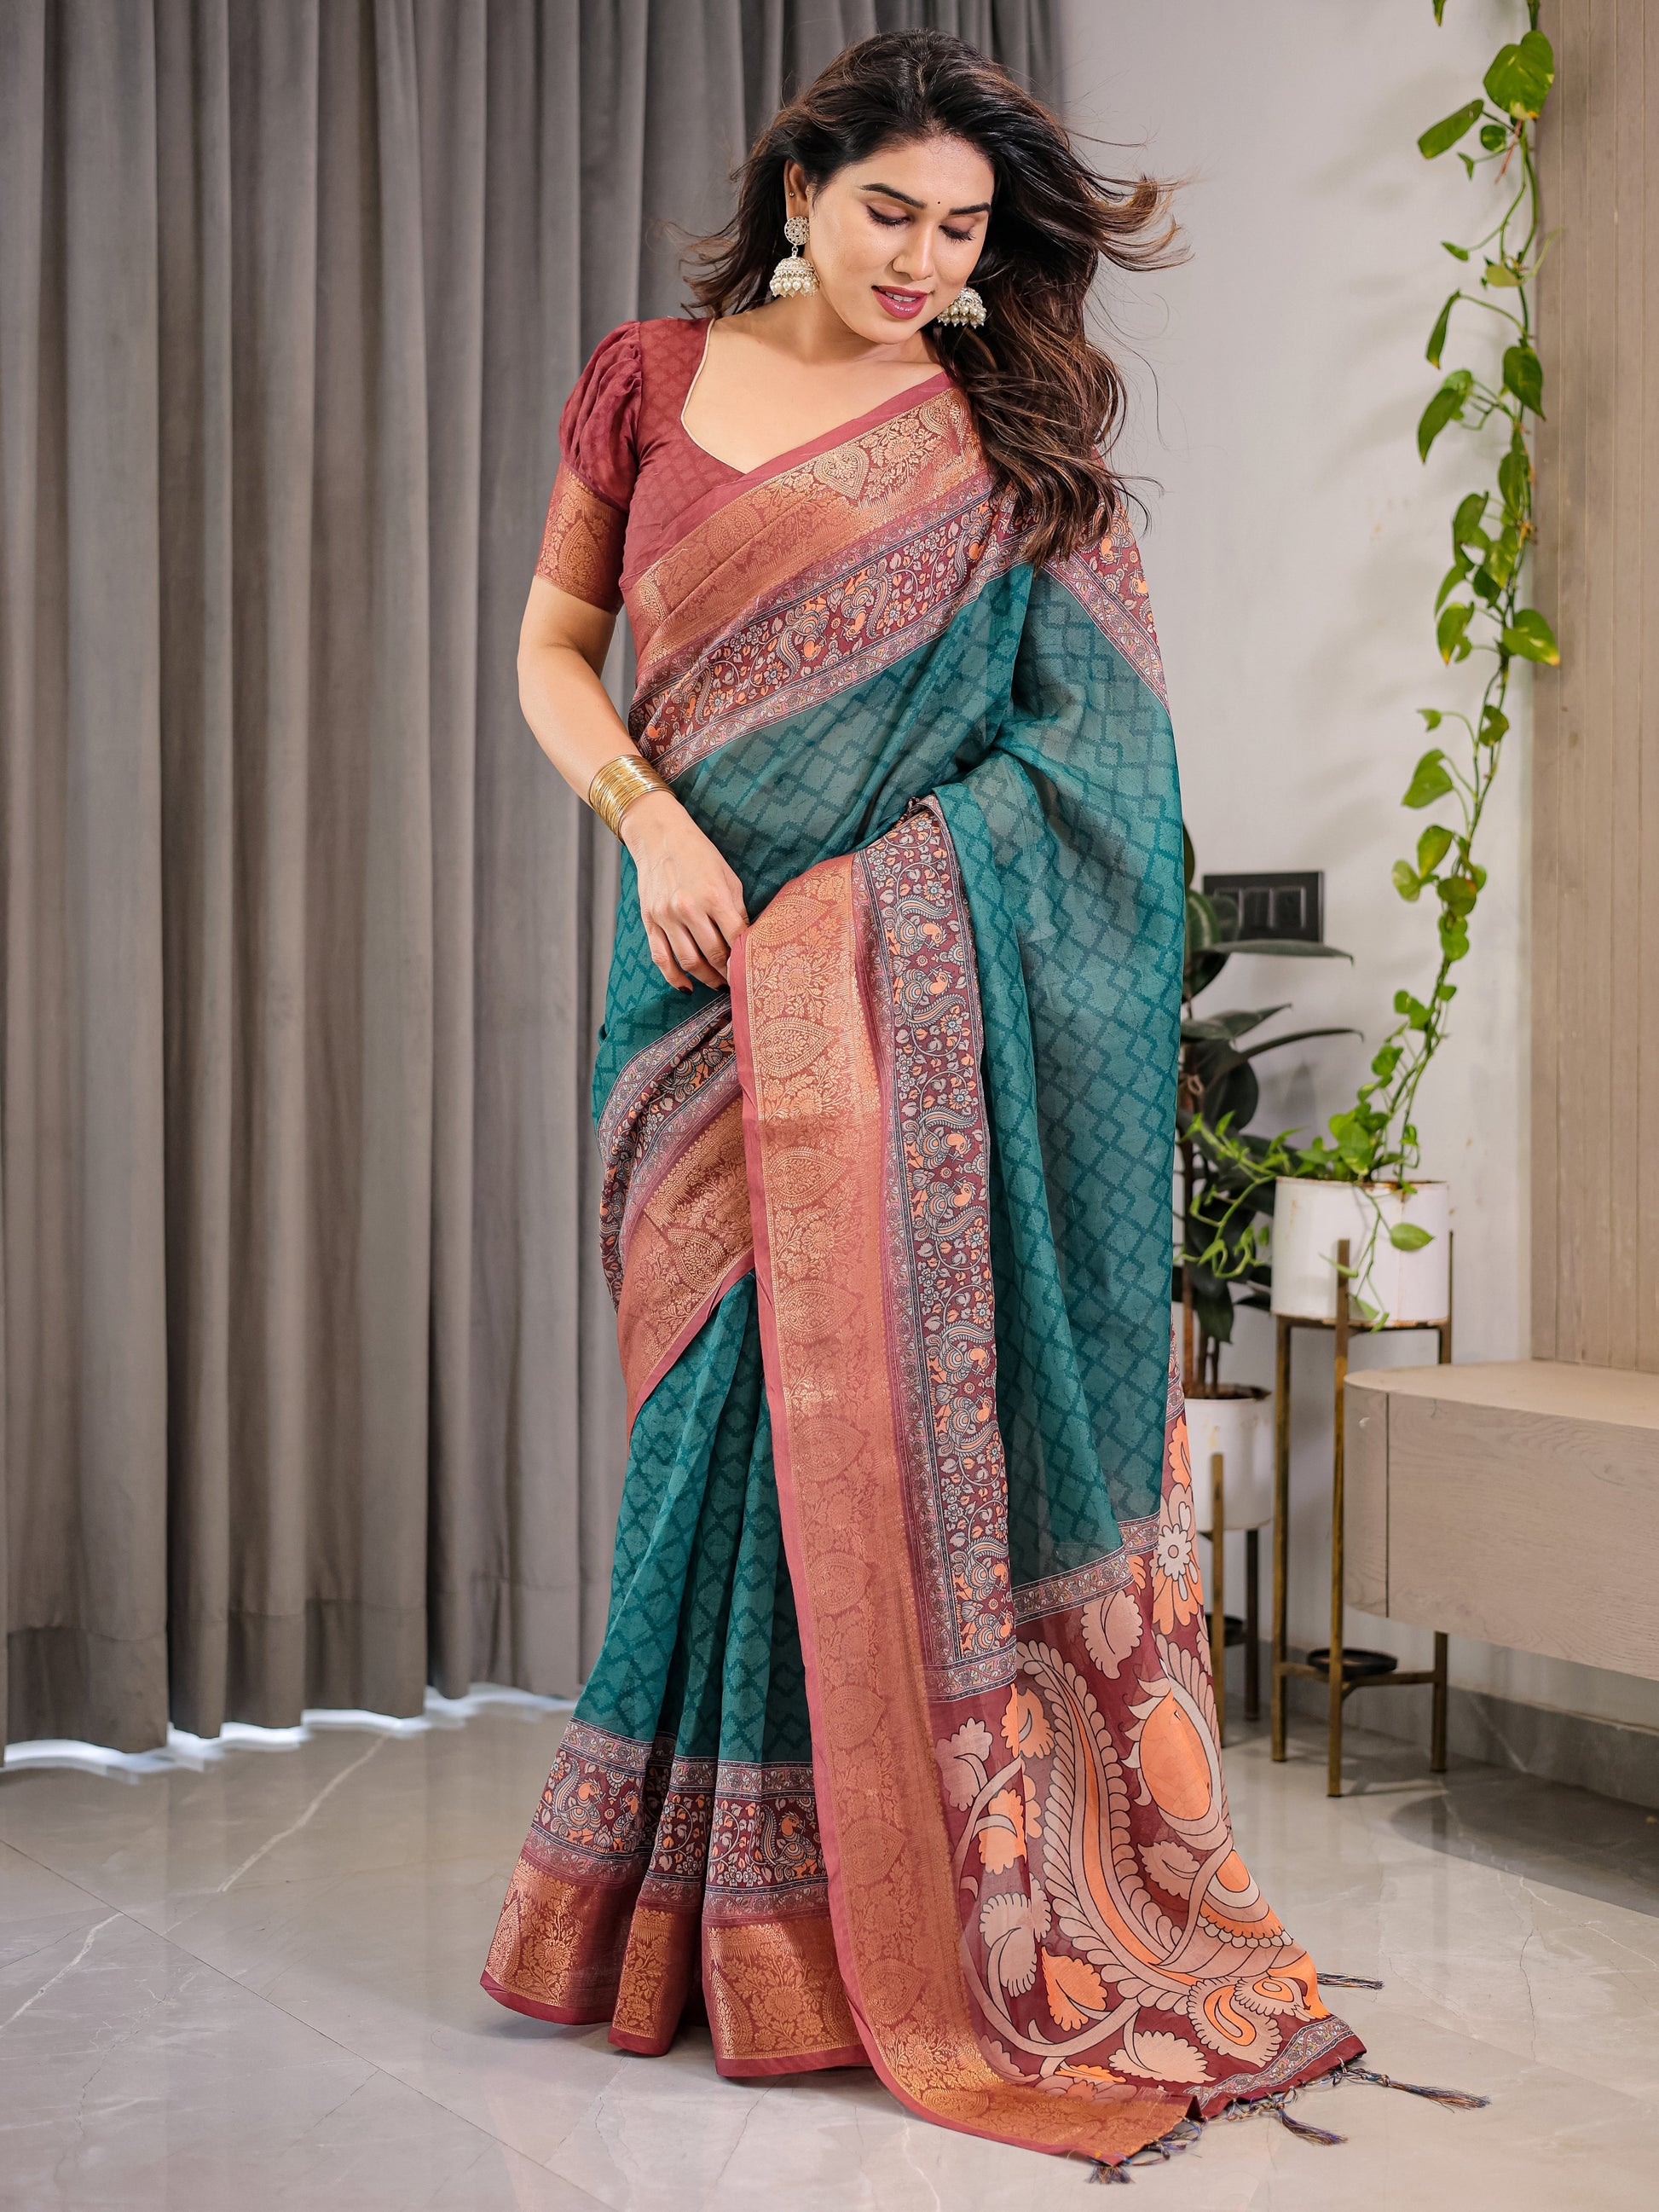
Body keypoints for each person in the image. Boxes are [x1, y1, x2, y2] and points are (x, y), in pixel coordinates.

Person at [483, 28, 1359, 2172]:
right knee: (706, 1432)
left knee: (844, 1424)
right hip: (690, 984)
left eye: (963, 230)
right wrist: (649, 824)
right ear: (801, 188)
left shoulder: (998, 439)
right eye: (891, 210)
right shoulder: (645, 383)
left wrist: (858, 919)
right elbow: (551, 650)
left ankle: (803, 1936)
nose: (924, 258)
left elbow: (1094, 778)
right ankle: (686, 1923)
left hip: (887, 1009)